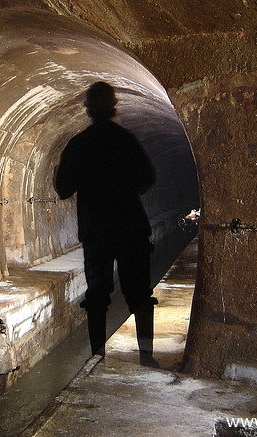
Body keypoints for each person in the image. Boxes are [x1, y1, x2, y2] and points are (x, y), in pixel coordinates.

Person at [54, 81, 159, 366]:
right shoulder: (126, 140)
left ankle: (97, 357)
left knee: (97, 297)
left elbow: (63, 188)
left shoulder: (79, 144)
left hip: (96, 230)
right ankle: (146, 356)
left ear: (88, 110)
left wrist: (62, 173)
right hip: (130, 227)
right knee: (139, 294)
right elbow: (147, 179)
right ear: (114, 108)